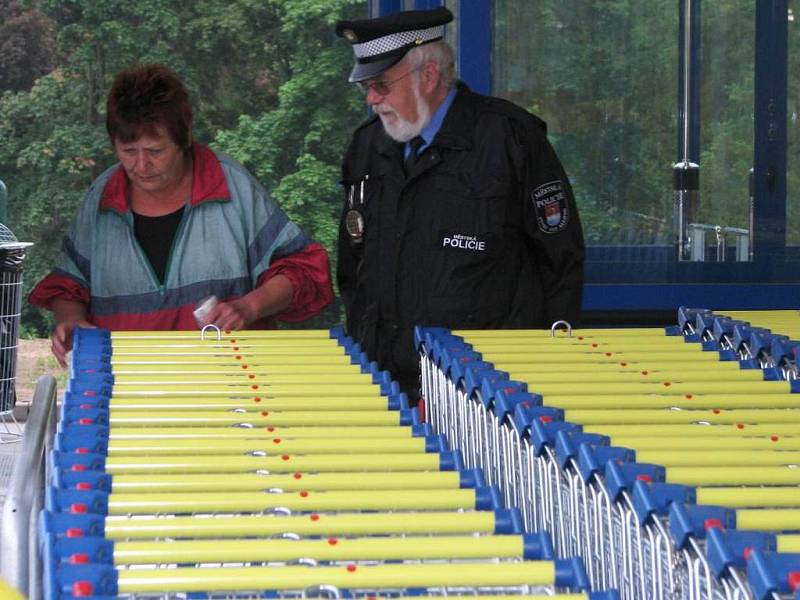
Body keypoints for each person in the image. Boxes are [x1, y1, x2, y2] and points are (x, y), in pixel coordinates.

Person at [335, 7, 585, 402]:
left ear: (429, 75)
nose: (371, 98)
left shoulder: (509, 140)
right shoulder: (367, 146)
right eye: (365, 86)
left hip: (490, 392)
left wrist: (542, 374)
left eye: (381, 83)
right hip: (387, 386)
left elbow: (559, 261)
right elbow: (353, 268)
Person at [29, 64, 334, 367]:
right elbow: (70, 284)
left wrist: (249, 307)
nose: (141, 166)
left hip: (231, 389)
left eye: (155, 151)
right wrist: (71, 321)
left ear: (184, 137)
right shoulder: (100, 199)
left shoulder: (232, 188)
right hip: (125, 387)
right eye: (128, 151)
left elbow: (302, 270)